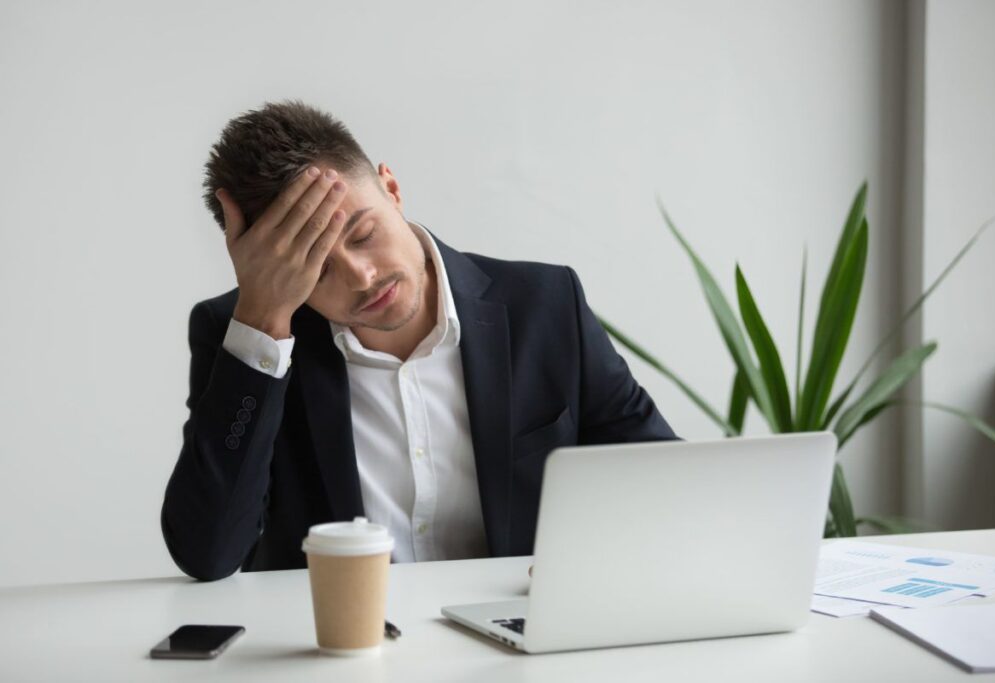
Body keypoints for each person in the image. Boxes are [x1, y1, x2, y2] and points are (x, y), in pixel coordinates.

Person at [162, 100, 676, 581]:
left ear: (391, 188)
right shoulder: (245, 334)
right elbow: (209, 554)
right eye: (316, 269)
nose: (361, 276)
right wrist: (263, 319)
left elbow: (663, 483)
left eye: (363, 234)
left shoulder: (544, 305)